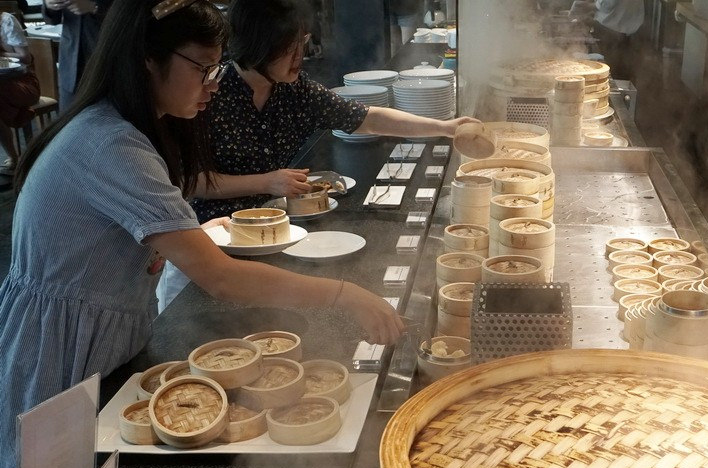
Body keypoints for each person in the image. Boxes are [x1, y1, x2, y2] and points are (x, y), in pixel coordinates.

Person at [0, 0, 402, 468]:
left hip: (106, 334)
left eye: (217, 65)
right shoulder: (109, 144)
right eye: (203, 67)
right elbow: (222, 277)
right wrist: (344, 295)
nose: (215, 81)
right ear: (148, 59)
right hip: (61, 343)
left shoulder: (139, 128)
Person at [156, 0, 477, 310]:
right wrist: (268, 181)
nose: (301, 55)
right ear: (259, 44)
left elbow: (365, 117)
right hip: (212, 246)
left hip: (273, 236)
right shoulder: (208, 92)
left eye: (302, 42)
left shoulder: (293, 89)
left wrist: (446, 127)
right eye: (289, 46)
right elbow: (188, 182)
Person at [43, 0, 111, 109]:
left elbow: (134, 10)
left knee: (110, 120)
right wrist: (49, 5)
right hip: (70, 63)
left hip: (107, 59)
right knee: (68, 120)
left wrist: (94, 6)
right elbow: (52, 19)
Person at [0, 10, 40, 175]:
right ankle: (15, 157)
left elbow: (25, 58)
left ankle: (14, 158)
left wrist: (2, 54)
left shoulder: (6, 21)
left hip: (24, 82)